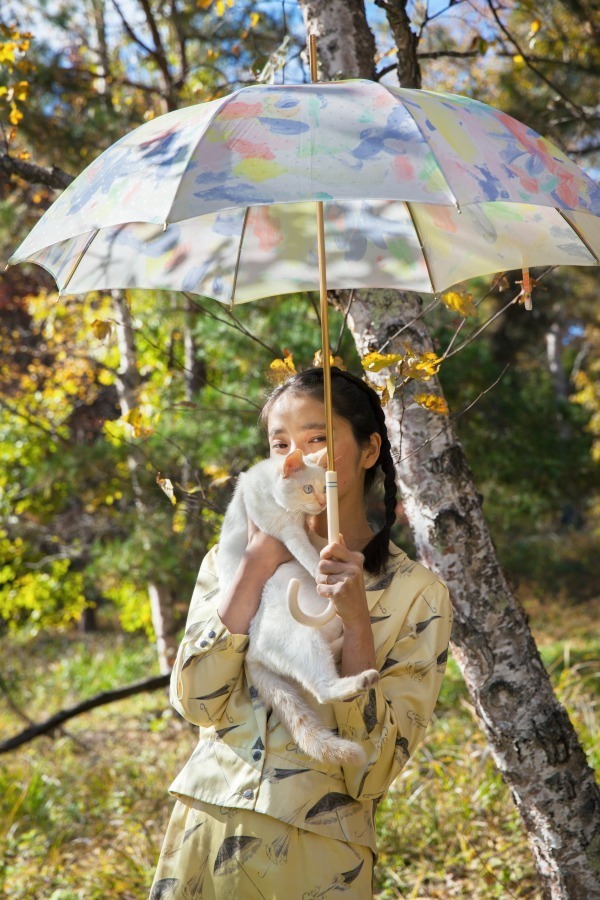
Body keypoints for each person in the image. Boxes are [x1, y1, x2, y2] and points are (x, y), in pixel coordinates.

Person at [150, 367, 452, 899]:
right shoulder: (229, 560)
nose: (294, 458)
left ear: (367, 450)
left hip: (317, 857)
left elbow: (373, 769)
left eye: (316, 439)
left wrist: (358, 620)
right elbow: (195, 701)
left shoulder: (417, 594)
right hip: (204, 831)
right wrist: (256, 565)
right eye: (279, 443)